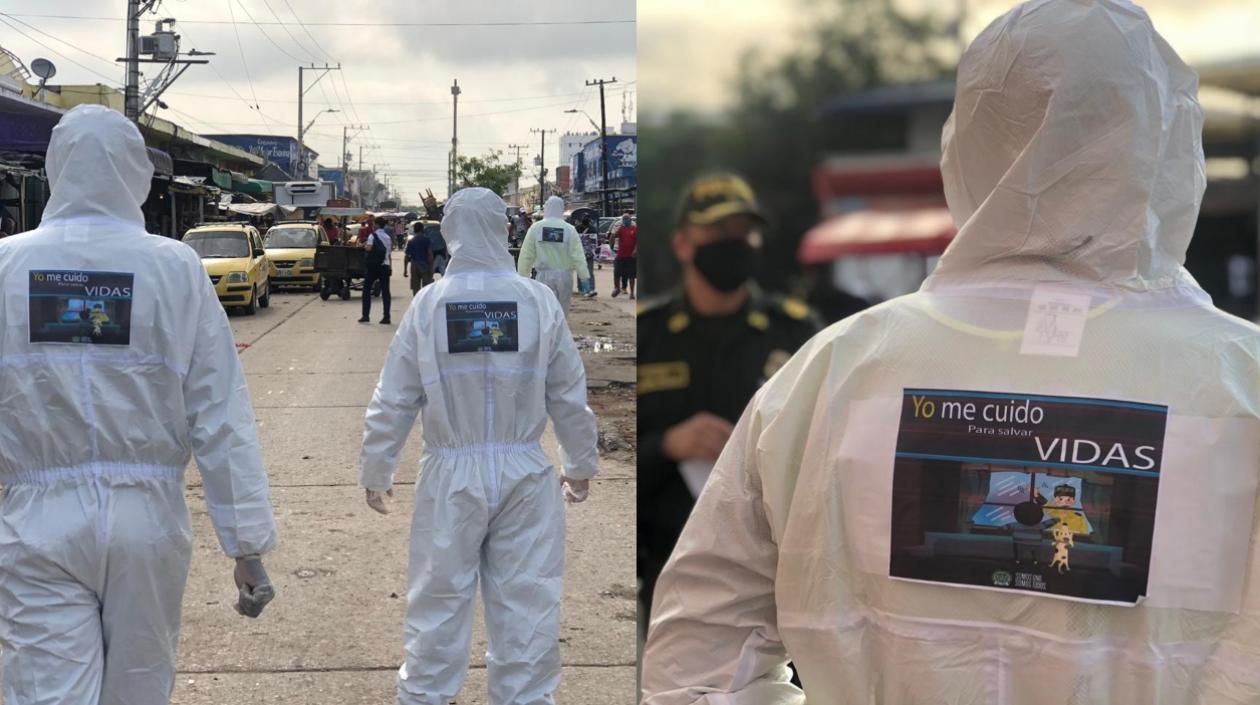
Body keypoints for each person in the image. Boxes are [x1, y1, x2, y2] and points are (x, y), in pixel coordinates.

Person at [642, 3, 1260, 702]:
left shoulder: (829, 375)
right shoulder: (1241, 383)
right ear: (1172, 140)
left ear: (965, 140)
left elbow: (695, 663)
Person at [0, 104, 278, 705]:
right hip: (147, 520)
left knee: (43, 691)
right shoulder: (175, 266)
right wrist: (246, 545)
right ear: (137, 173)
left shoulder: (6, 265)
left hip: (35, 520)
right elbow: (220, 414)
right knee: (140, 686)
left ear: (54, 168)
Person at [358, 186, 598, 705]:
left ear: (451, 233)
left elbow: (394, 396)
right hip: (525, 473)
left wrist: (378, 466)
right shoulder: (536, 302)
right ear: (503, 229)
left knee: (438, 602)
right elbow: (567, 392)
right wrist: (579, 462)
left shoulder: (431, 304)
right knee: (527, 604)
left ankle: (423, 696)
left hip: (450, 474)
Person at [637, 172, 820, 634]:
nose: (733, 243)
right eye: (718, 232)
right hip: (673, 570)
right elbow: (607, 466)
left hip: (779, 576)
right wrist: (667, 445)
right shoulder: (647, 335)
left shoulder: (795, 333)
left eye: (743, 232)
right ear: (683, 243)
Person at [516, 195, 591, 316]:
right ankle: (560, 334)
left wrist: (522, 276)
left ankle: (548, 334)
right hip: (565, 276)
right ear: (561, 209)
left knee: (546, 312)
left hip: (544, 277)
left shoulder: (536, 228)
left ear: (546, 208)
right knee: (562, 311)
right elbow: (578, 256)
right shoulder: (570, 229)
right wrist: (584, 277)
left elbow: (527, 254)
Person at [359, 216, 392, 324]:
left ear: (376, 225)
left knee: (366, 290)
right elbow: (389, 253)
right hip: (385, 265)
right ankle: (386, 317)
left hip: (373, 267)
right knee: (386, 292)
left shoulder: (372, 236)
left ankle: (365, 315)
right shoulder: (388, 237)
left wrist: (364, 246)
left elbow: (368, 248)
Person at [611, 212, 638, 298]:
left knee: (631, 275)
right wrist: (613, 233)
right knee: (616, 272)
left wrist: (635, 250)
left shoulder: (634, 228)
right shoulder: (621, 228)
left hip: (631, 256)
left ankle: (632, 293)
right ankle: (617, 288)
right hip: (620, 255)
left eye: (627, 218)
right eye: (624, 219)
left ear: (630, 219)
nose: (626, 220)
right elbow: (613, 237)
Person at [404, 220, 434, 294]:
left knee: (415, 288)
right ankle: (424, 302)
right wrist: (431, 268)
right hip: (424, 265)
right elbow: (429, 254)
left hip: (414, 265)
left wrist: (405, 269)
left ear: (414, 230)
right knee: (426, 287)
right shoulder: (426, 240)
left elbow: (407, 256)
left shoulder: (411, 241)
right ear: (422, 229)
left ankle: (416, 302)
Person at [577, 215, 599, 297]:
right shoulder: (593, 229)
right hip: (589, 253)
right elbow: (595, 242)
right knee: (589, 271)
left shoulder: (576, 228)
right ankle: (590, 288)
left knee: (581, 271)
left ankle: (582, 289)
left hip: (579, 254)